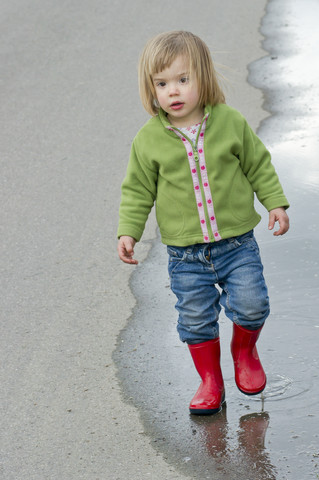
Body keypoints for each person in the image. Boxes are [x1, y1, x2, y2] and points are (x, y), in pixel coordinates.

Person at [117, 31, 289, 415]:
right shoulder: (148, 141)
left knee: (252, 304)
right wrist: (129, 231)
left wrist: (274, 203)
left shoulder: (229, 122)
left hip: (237, 245)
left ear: (204, 78)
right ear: (151, 89)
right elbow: (137, 190)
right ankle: (211, 381)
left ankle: (244, 353)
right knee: (195, 318)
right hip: (184, 254)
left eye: (183, 80)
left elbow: (258, 164)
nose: (173, 91)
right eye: (162, 84)